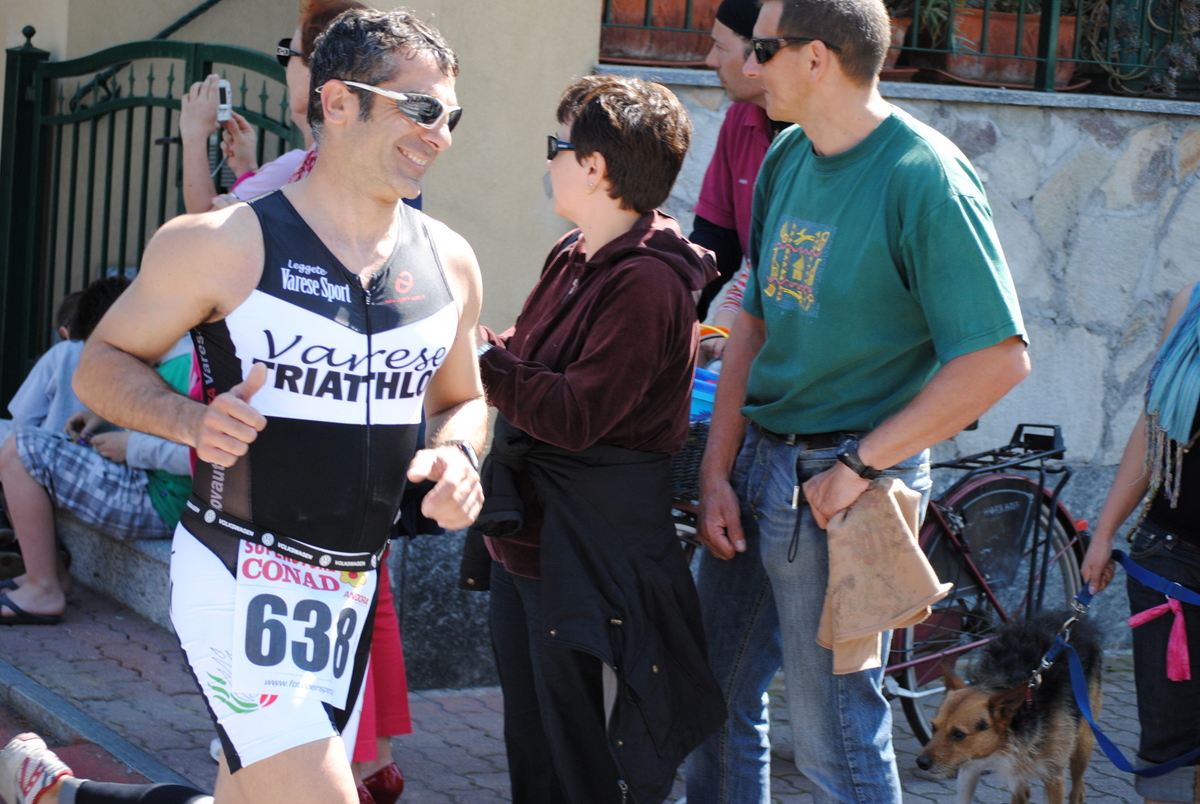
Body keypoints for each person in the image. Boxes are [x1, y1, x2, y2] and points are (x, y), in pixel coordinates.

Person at [1, 9, 485, 804]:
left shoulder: (450, 263)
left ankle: (54, 792)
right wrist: (189, 421)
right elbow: (101, 364)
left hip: (350, 590)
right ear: (338, 102)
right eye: (421, 109)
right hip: (239, 572)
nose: (441, 135)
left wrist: (460, 453)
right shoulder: (221, 243)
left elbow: (463, 398)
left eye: (451, 117)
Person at [696, 0, 1030, 801]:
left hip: (846, 489)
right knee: (707, 696)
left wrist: (858, 466)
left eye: (764, 47)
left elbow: (997, 360)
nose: (748, 64)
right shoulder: (786, 156)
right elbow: (754, 323)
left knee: (835, 739)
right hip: (758, 467)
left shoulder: (925, 177)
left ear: (816, 58)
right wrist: (716, 470)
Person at [473, 74, 724, 804]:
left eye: (558, 145)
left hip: (588, 553)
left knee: (581, 765)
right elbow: (526, 354)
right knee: (536, 752)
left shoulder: (647, 284)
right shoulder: (573, 252)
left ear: (593, 167)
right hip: (530, 543)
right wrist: (476, 348)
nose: (549, 158)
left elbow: (575, 413)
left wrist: (479, 359)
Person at [1082, 281, 1200, 804]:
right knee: (1167, 754)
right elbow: (1155, 426)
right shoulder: (1191, 303)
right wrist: (1104, 533)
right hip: (1171, 556)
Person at [178, 0, 366, 214]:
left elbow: (202, 224)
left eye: (288, 54)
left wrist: (193, 135)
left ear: (315, 71)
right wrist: (247, 171)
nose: (285, 66)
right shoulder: (346, 162)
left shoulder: (297, 166)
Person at [691, 0, 778, 325]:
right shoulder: (740, 116)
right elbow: (718, 234)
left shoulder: (826, 137)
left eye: (720, 47)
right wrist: (683, 296)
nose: (710, 60)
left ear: (762, 54)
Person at [0, 291, 85, 446]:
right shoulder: (121, 354)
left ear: (63, 331)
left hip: (51, 448)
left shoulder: (64, 351)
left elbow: (23, 417)